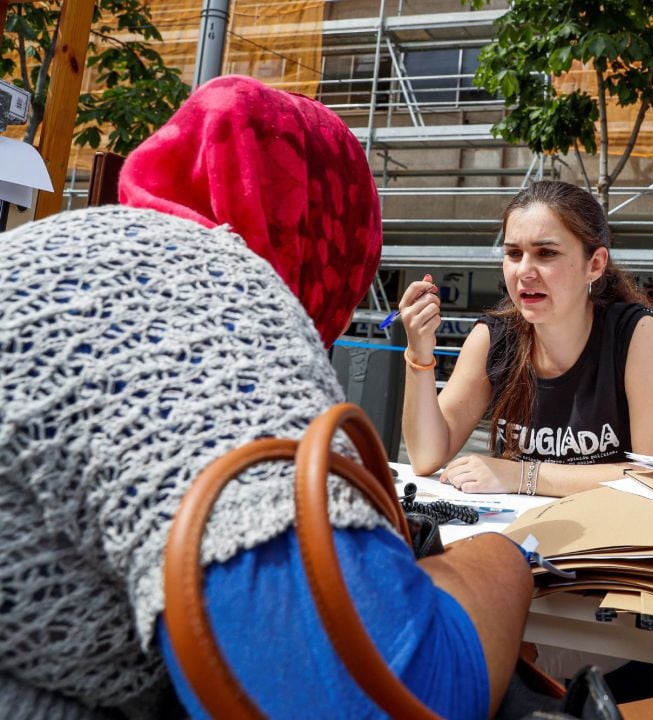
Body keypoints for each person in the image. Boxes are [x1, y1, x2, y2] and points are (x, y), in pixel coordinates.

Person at [0, 75, 531, 719]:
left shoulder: (75, 259)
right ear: (332, 223)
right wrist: (504, 564)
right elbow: (362, 695)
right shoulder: (215, 296)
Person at [400, 180, 653, 496]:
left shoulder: (636, 334)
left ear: (595, 264)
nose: (524, 271)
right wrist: (419, 354)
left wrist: (524, 476)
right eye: (513, 253)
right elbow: (425, 457)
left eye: (546, 253)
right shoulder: (493, 337)